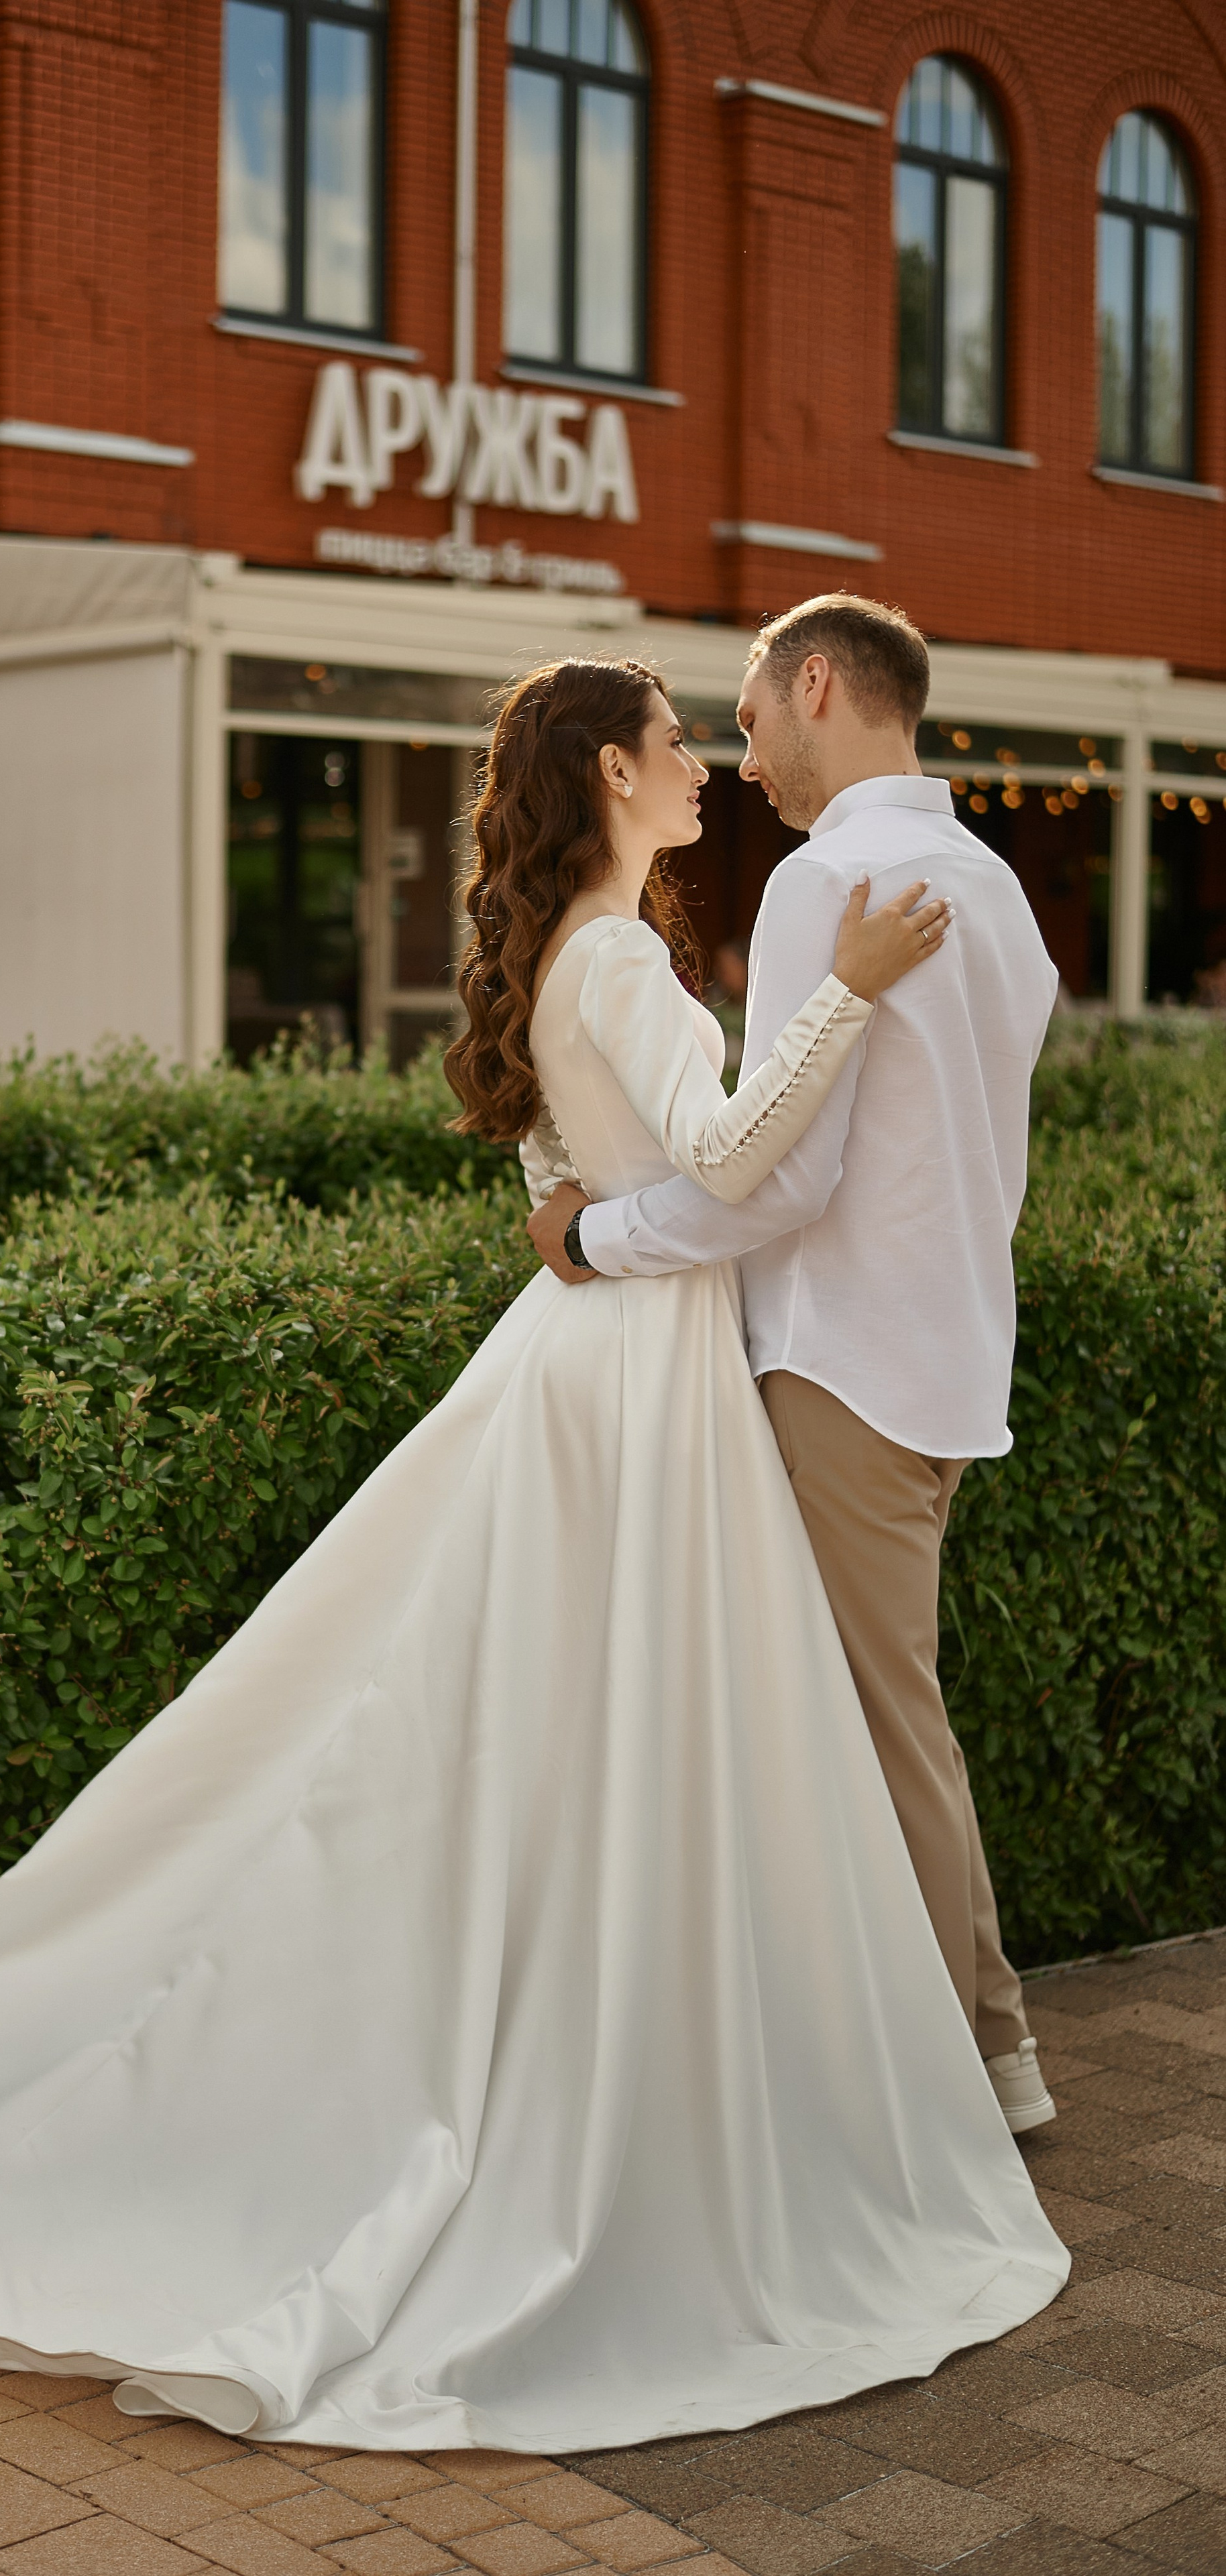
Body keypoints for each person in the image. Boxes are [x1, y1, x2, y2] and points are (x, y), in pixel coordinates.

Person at [0, 656, 1068, 2456]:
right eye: (677, 741)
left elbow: (562, 1164)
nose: (702, 761)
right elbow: (738, 1162)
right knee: (601, 1743)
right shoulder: (615, 955)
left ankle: (630, 2056)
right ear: (611, 770)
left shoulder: (597, 947)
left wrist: (591, 1217)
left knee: (583, 1747)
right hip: (634, 1389)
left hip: (617, 1364)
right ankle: (601, 2087)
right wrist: (836, 1001)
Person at [527, 597, 1061, 2138]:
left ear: (815, 685)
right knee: (872, 1713)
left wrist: (589, 1239)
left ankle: (981, 2055)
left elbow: (772, 1176)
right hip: (949, 1355)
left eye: (749, 711)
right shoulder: (994, 890)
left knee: (876, 1728)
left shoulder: (833, 881)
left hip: (840, 1367)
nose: (738, 749)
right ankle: (938, 2047)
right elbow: (980, 1157)